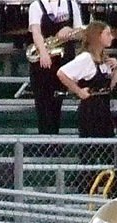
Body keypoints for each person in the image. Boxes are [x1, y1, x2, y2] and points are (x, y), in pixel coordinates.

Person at [56, 21, 117, 139]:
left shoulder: (104, 59)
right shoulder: (86, 58)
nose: (111, 37)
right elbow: (62, 73)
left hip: (104, 109)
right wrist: (79, 91)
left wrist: (116, 70)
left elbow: (109, 87)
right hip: (91, 110)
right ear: (97, 36)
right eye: (107, 34)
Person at [27, 0, 82, 135]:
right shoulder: (36, 5)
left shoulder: (71, 4)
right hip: (43, 63)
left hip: (64, 61)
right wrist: (43, 52)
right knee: (44, 106)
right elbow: (36, 32)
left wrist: (70, 30)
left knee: (57, 104)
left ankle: (55, 140)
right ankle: (46, 141)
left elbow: (80, 32)